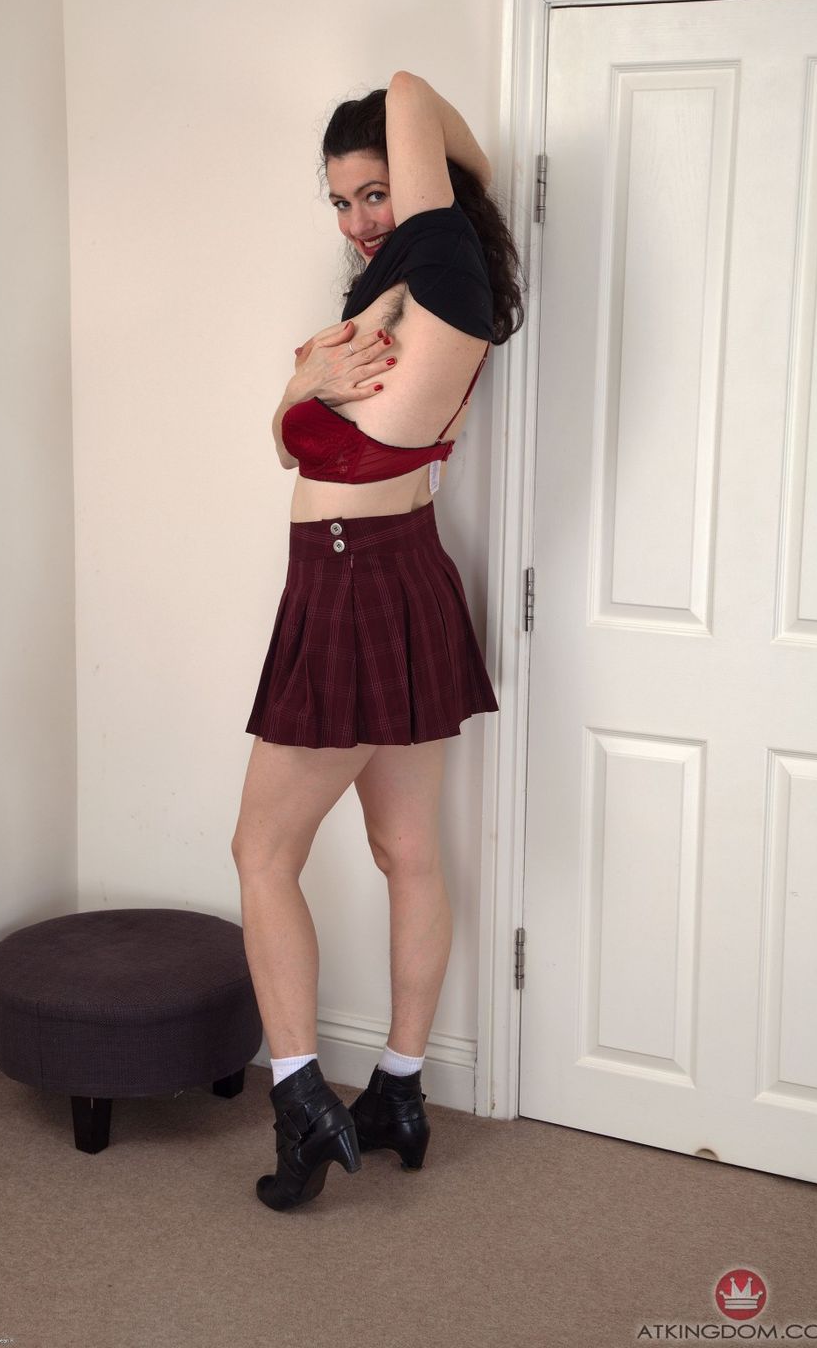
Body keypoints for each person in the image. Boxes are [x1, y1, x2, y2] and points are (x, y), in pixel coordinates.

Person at [231, 71, 524, 1211]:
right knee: (408, 850)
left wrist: (300, 385)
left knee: (262, 853)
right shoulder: (423, 284)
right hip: (405, 573)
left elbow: (409, 91)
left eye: (377, 192)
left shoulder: (437, 261)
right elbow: (298, 439)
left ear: (424, 185)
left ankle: (299, 1095)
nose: (358, 220)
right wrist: (301, 382)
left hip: (350, 581)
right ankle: (399, 1089)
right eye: (341, 201)